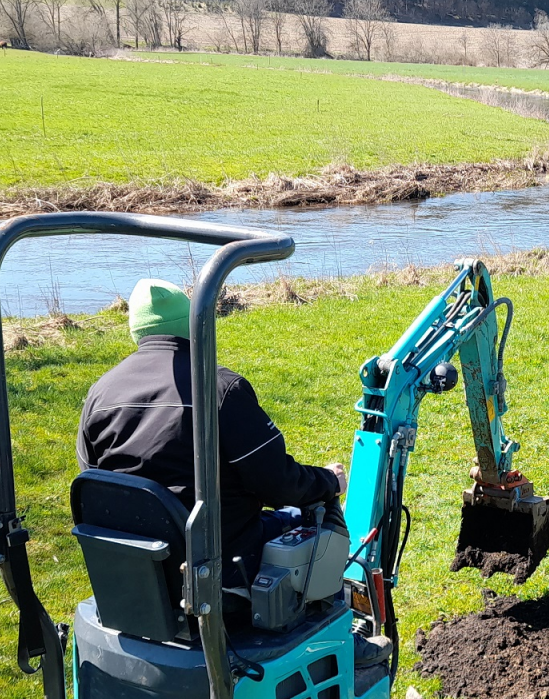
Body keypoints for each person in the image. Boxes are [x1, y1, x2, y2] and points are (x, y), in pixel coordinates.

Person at [78, 279, 389, 662]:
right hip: (219, 577)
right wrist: (329, 481)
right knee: (317, 518)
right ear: (192, 325)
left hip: (136, 579)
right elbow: (279, 484)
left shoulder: (99, 396)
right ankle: (338, 642)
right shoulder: (221, 389)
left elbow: (97, 489)